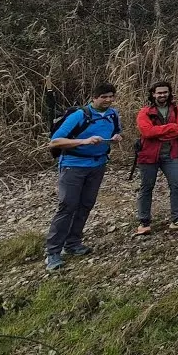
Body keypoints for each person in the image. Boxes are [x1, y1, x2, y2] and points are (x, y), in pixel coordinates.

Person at [44, 82, 123, 271]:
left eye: (111, 96)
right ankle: (53, 252)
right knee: (67, 206)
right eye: (104, 96)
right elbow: (54, 142)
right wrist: (84, 141)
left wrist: (118, 137)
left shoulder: (113, 114)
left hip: (98, 164)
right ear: (94, 98)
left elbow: (116, 131)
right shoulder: (79, 115)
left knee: (86, 204)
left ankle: (72, 243)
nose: (108, 100)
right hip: (73, 166)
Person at [134, 81, 178, 236]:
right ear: (153, 94)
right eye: (159, 92)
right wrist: (170, 128)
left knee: (177, 184)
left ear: (169, 93)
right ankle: (144, 221)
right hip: (149, 155)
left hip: (171, 154)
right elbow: (147, 132)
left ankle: (177, 219)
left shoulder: (177, 109)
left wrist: (159, 132)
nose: (162, 95)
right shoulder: (145, 112)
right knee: (147, 187)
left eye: (165, 92)